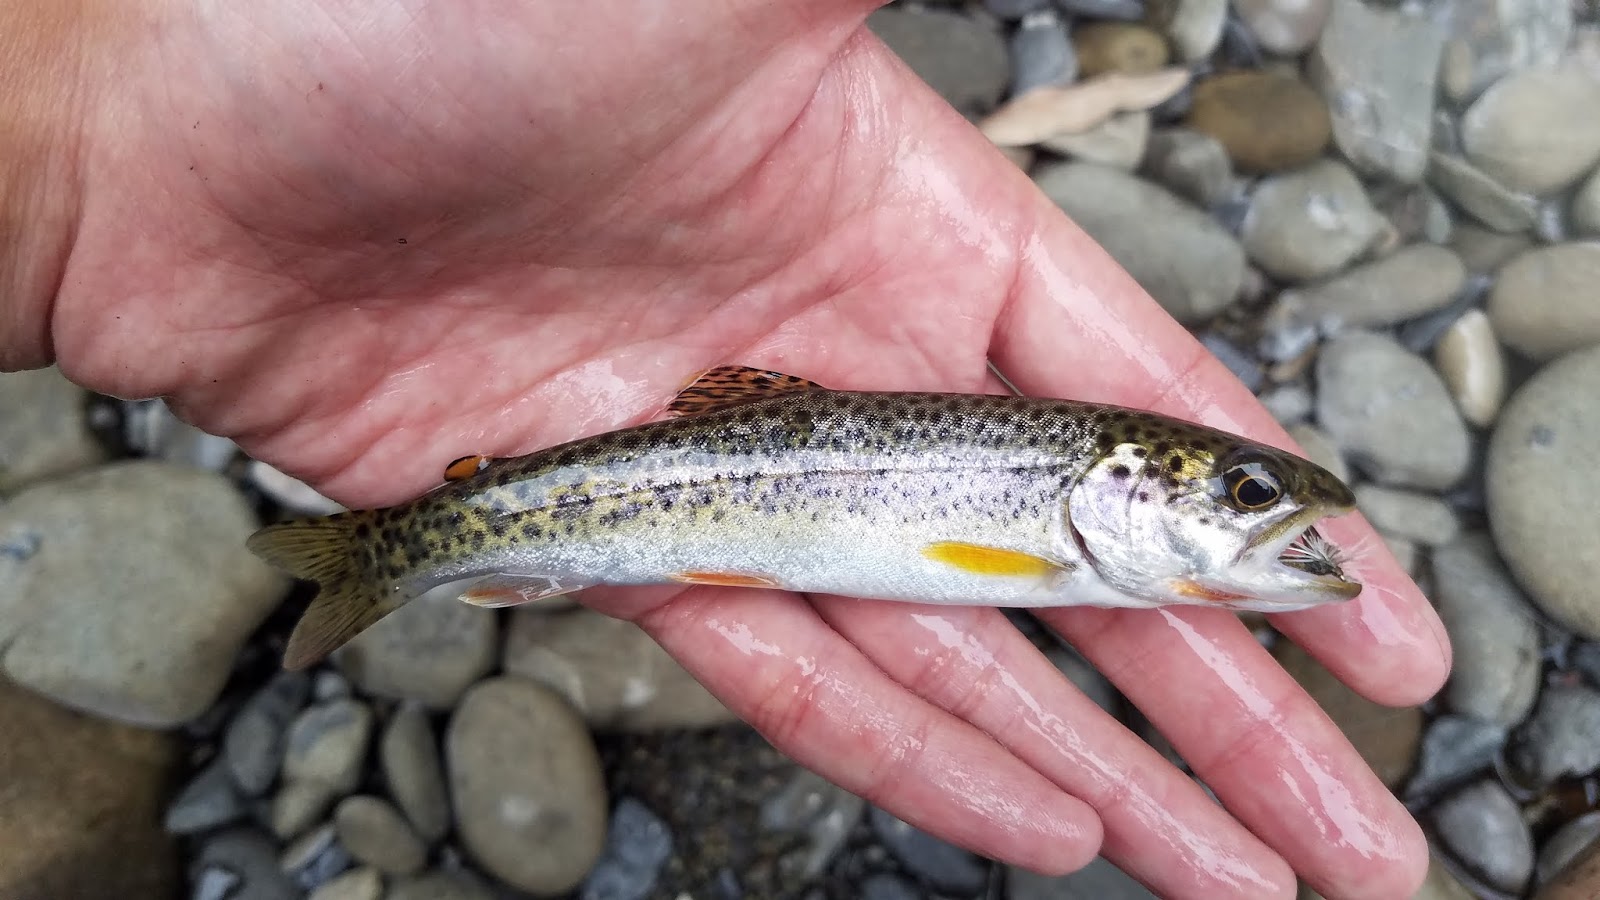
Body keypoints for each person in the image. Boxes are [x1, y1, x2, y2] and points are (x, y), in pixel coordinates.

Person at [1, 3, 1450, 897]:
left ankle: (398, 551)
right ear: (1131, 488)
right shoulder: (1045, 523)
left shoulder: (1086, 524)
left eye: (1250, 493)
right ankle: (394, 552)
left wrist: (87, 152)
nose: (1267, 512)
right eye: (1244, 490)